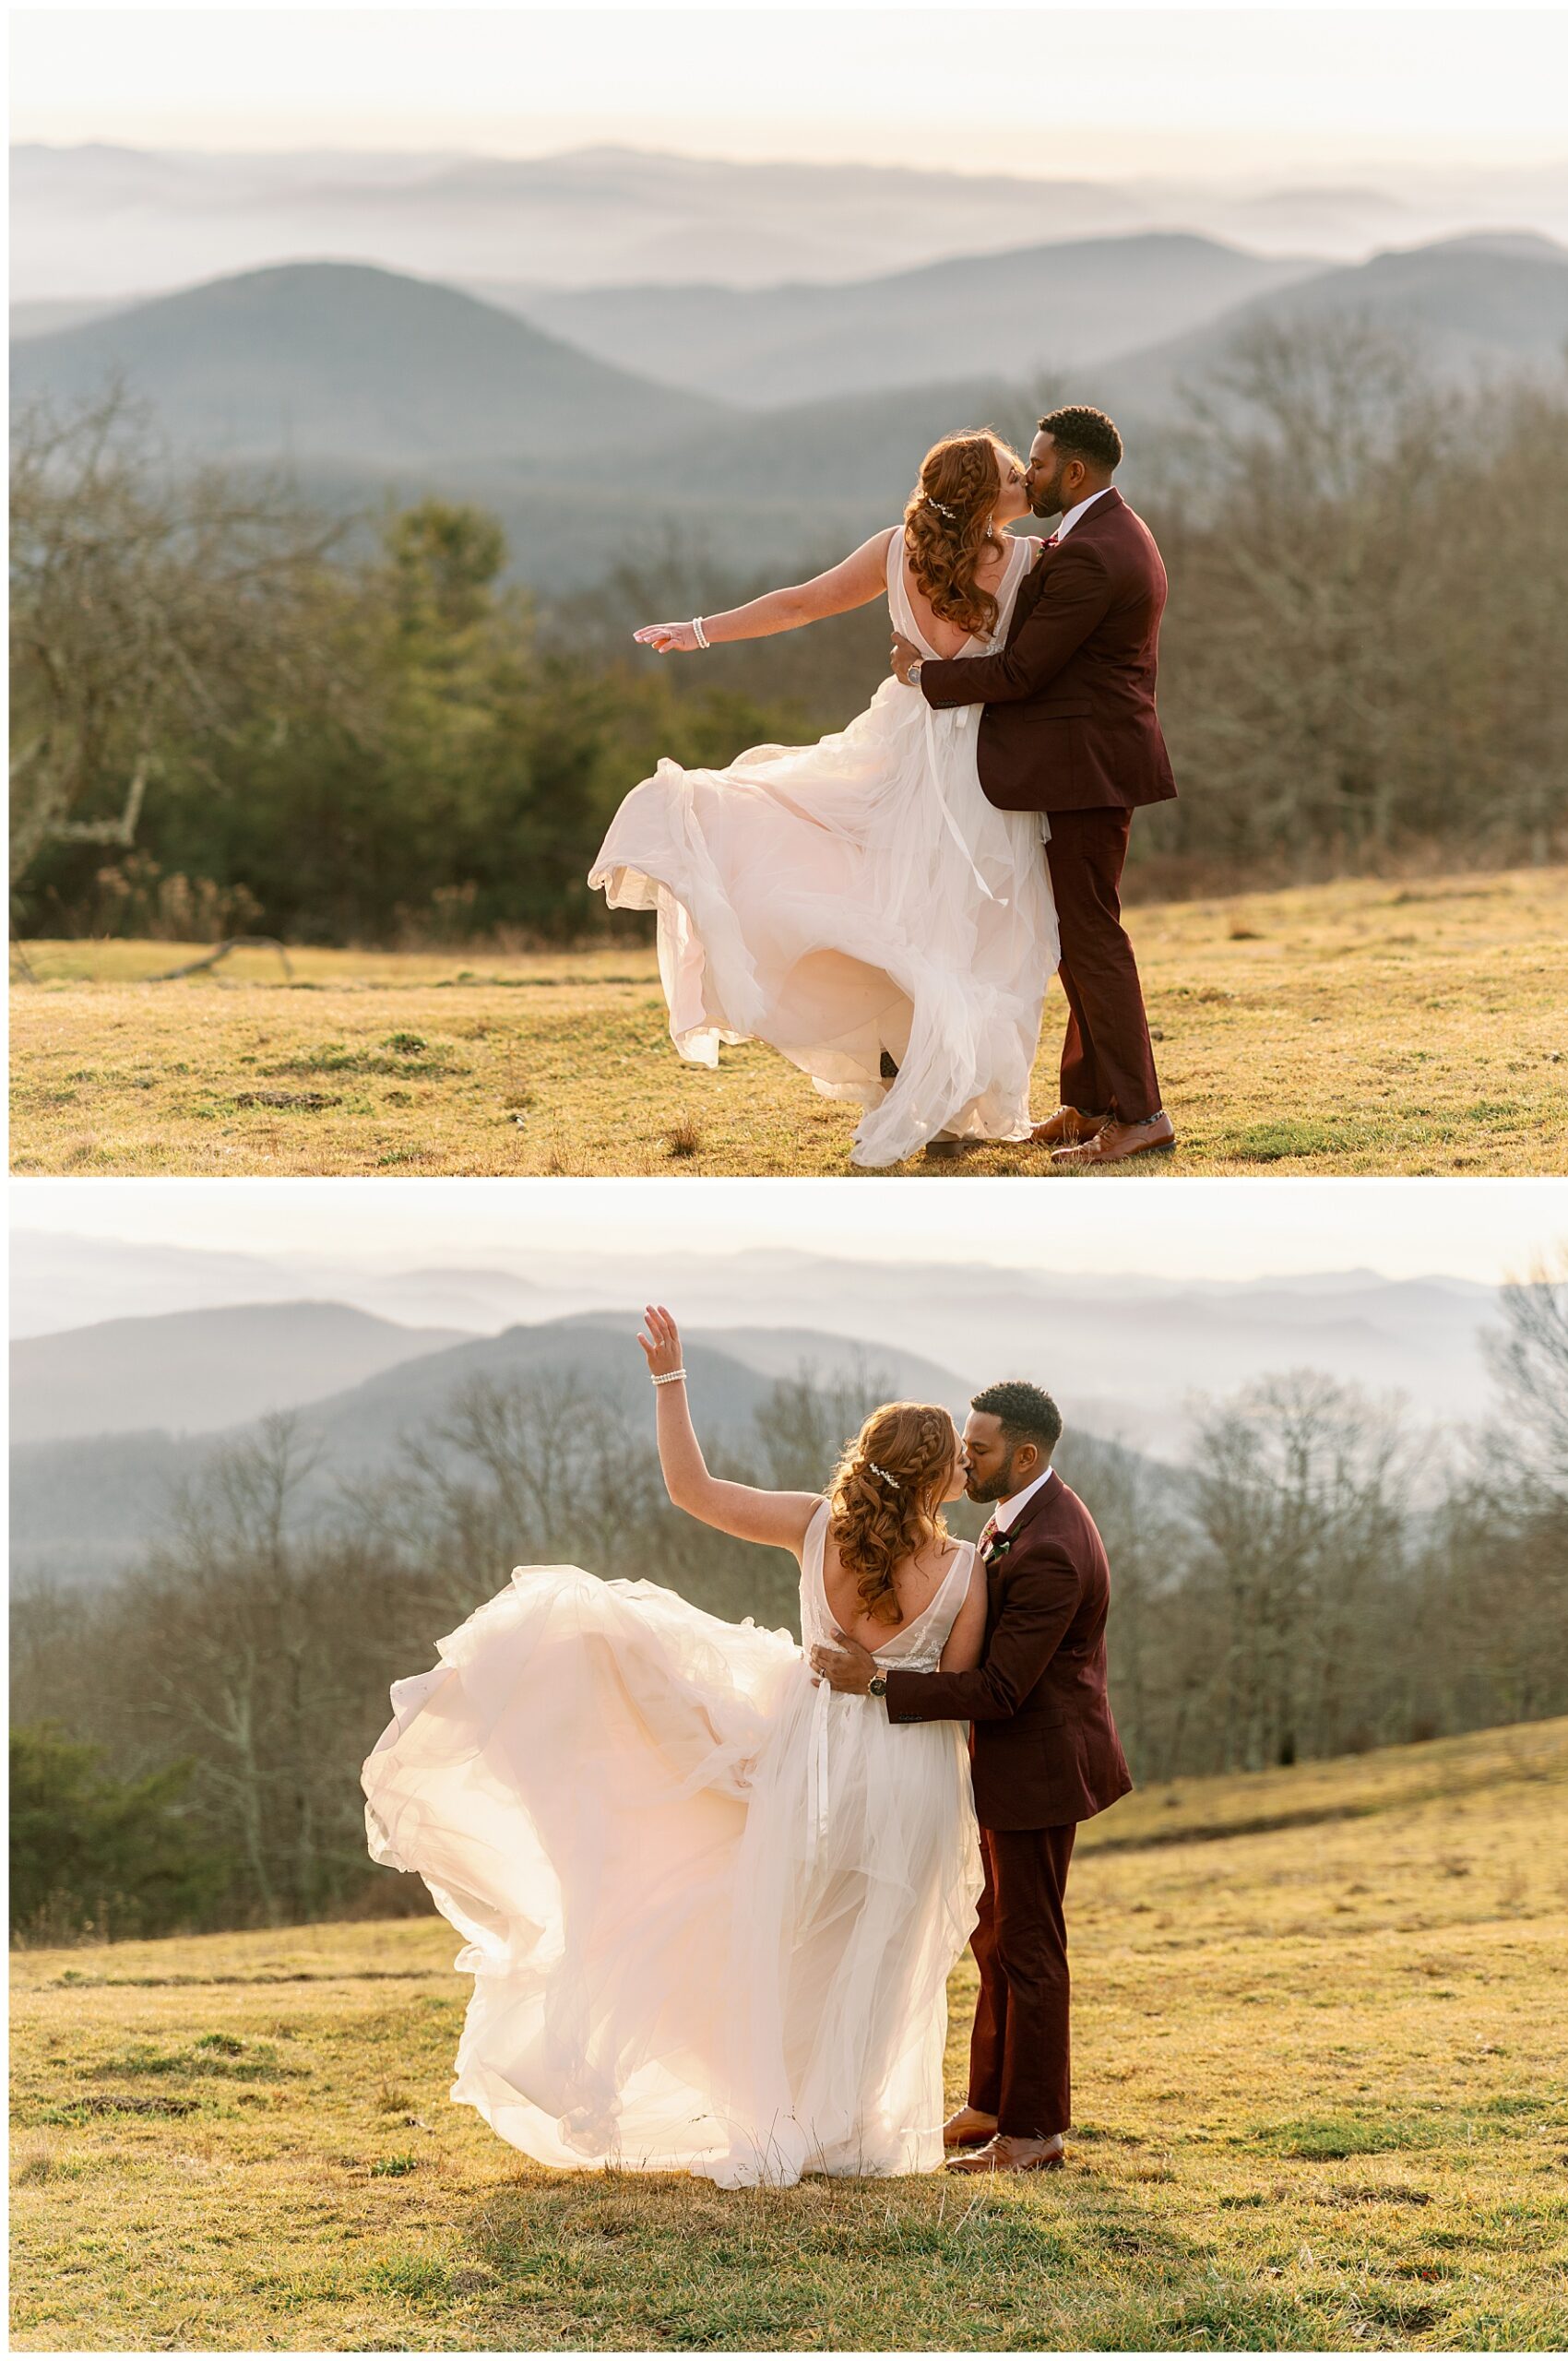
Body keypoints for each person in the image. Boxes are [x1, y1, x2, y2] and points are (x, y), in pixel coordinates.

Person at [361, 1306, 988, 2187]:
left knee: (787, 1944)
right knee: (876, 1957)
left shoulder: (813, 1528)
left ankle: (782, 2117)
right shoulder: (966, 1571)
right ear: (938, 1480)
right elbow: (957, 1698)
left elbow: (691, 1491)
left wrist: (669, 1380)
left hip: (807, 1766)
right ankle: (847, 2131)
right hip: (908, 1776)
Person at [588, 429, 1059, 1166]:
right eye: (1011, 474)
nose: (1026, 481)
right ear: (982, 495)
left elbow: (800, 606)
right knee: (968, 928)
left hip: (899, 742)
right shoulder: (1029, 561)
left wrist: (700, 631)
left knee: (895, 906)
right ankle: (938, 1090)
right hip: (978, 758)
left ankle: (923, 1083)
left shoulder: (894, 548)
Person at [812, 1378, 1132, 2173]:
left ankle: (1033, 2133)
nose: (963, 1456)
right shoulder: (1017, 1515)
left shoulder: (1052, 1548)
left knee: (1028, 1947)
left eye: (978, 1448)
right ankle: (989, 2102)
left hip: (1040, 1773)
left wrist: (880, 1681)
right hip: (1006, 1767)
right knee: (994, 1938)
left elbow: (1000, 1690)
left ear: (1024, 1456)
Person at [890, 405, 1178, 1166]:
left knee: (1093, 939)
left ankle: (1141, 1114)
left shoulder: (1090, 553)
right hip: (1087, 760)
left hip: (1088, 766)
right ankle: (1089, 1104)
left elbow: (1022, 672)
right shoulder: (1111, 531)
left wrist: (926, 675)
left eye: (1041, 464)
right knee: (1075, 938)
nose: (1030, 474)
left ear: (1075, 472)